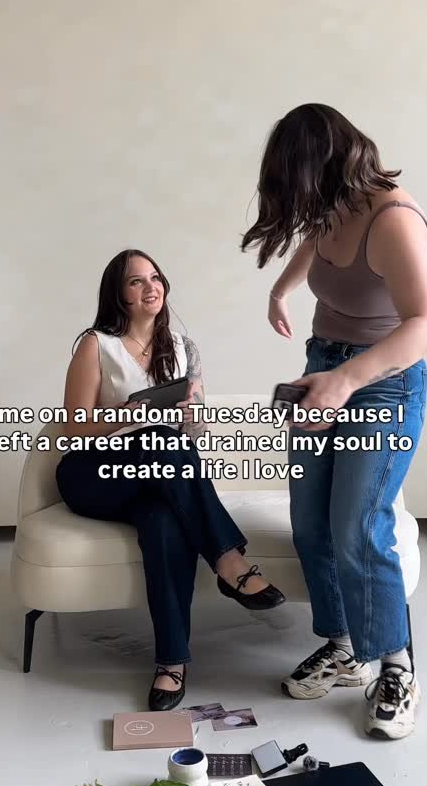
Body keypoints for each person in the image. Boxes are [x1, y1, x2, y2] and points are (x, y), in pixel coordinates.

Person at [242, 104, 427, 740]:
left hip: (382, 385)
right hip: (323, 370)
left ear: (326, 168)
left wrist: (347, 380)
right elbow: (315, 245)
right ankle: (344, 647)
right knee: (311, 523)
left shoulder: (393, 218)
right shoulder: (333, 206)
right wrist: (280, 290)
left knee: (358, 526)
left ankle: (396, 665)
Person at [55, 249, 285, 711]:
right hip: (94, 474)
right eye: (136, 281)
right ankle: (228, 559)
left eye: (155, 277)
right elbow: (74, 427)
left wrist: (192, 413)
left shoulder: (184, 348)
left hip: (156, 478)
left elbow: (194, 436)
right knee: (158, 437)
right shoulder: (96, 345)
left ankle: (171, 663)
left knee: (162, 520)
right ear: (118, 294)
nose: (151, 287)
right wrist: (129, 415)